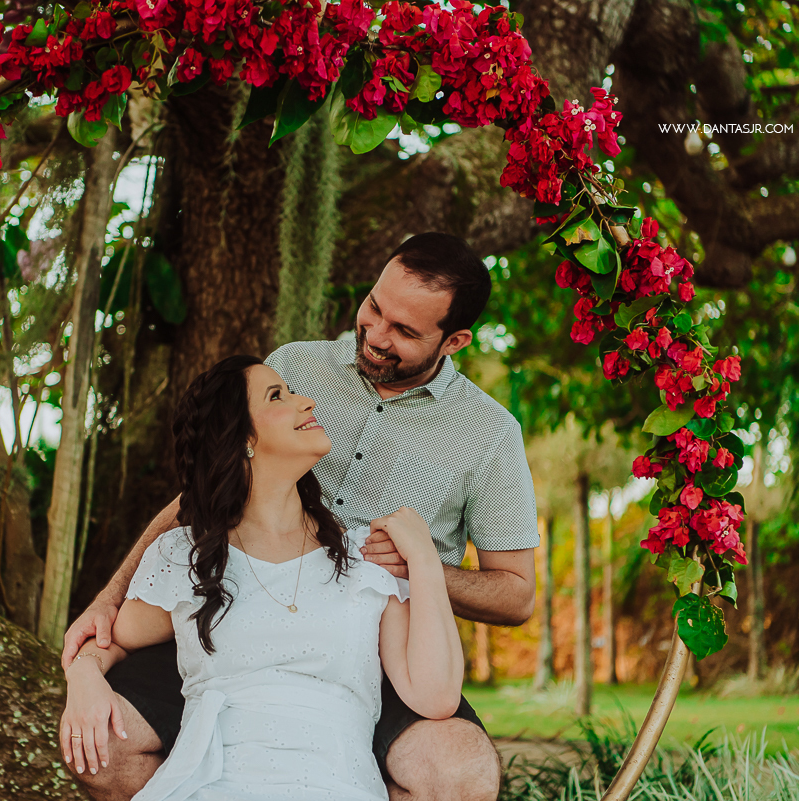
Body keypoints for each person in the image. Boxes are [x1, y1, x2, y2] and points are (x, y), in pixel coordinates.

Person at [62, 232, 539, 801]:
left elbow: (516, 594)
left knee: (461, 775)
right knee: (98, 748)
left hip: (380, 637)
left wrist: (417, 567)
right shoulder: (296, 368)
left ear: (454, 339)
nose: (377, 335)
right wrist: (109, 601)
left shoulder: (489, 435)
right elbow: (203, 494)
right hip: (234, 614)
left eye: (406, 332)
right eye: (375, 308)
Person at [60, 355, 464, 801]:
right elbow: (110, 643)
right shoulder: (184, 557)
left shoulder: (365, 556)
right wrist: (83, 679)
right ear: (241, 438)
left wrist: (424, 559)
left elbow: (436, 696)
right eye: (278, 396)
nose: (307, 402)